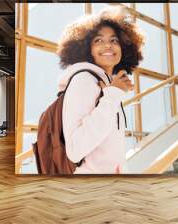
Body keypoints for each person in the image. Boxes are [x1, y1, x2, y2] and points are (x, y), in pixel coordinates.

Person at [56, 6, 144, 174]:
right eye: (98, 41)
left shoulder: (105, 85)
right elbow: (75, 150)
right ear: (85, 49)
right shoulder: (83, 80)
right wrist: (112, 95)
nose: (108, 46)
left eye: (114, 40)